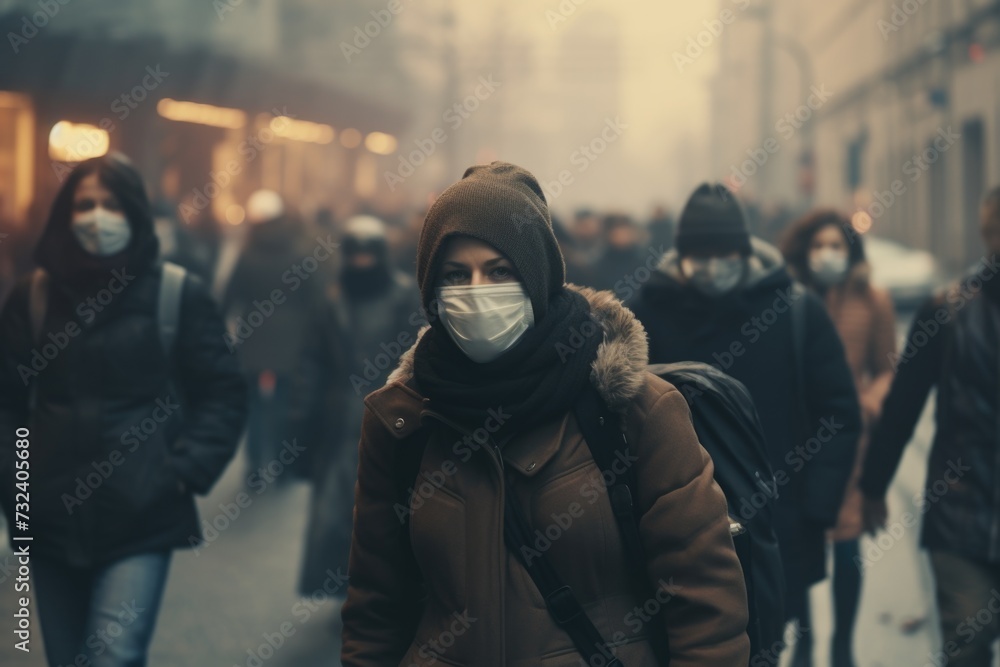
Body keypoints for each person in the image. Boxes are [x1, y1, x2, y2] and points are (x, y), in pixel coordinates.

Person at [340, 162, 750, 666]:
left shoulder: (633, 410)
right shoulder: (402, 420)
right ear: (430, 289)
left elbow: (705, 604)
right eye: (455, 274)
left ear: (536, 278)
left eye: (500, 271)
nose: (477, 290)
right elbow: (375, 607)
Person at [0, 154, 247, 666]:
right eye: (85, 204)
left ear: (134, 212)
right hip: (49, 515)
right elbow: (6, 404)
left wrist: (182, 472)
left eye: (111, 204)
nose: (97, 216)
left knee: (115, 653)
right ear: (66, 214)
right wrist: (17, 486)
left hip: (141, 514)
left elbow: (222, 392)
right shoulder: (33, 299)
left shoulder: (176, 295)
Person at [627, 183, 862, 665]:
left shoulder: (794, 311)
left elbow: (839, 413)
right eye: (700, 255)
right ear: (682, 254)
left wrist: (816, 510)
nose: (712, 265)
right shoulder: (645, 313)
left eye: (724, 253)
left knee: (764, 648)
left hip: (777, 530)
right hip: (674, 535)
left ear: (744, 251)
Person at [860, 185, 1000, 667]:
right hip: (960, 516)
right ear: (987, 234)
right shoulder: (947, 311)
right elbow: (903, 406)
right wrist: (874, 485)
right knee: (968, 644)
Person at [780, 209, 897, 667]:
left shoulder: (873, 300)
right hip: (798, 440)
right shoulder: (790, 300)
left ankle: (843, 644)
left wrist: (868, 404)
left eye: (836, 246)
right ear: (804, 251)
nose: (826, 254)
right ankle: (805, 638)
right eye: (818, 246)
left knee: (847, 542)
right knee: (800, 539)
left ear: (851, 251)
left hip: (850, 441)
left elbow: (887, 369)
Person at [294, 214, 421, 601]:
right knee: (336, 515)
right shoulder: (331, 300)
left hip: (390, 419)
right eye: (356, 254)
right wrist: (302, 424)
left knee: (387, 511)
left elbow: (419, 357)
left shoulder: (405, 297)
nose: (362, 262)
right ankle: (347, 590)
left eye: (369, 254)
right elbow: (312, 362)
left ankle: (382, 591)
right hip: (338, 423)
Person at [222, 189, 327, 482]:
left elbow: (229, 297)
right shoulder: (299, 255)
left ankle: (255, 466)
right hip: (291, 342)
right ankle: (282, 466)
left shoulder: (247, 255)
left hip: (253, 340)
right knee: (284, 403)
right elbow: (316, 300)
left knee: (254, 405)